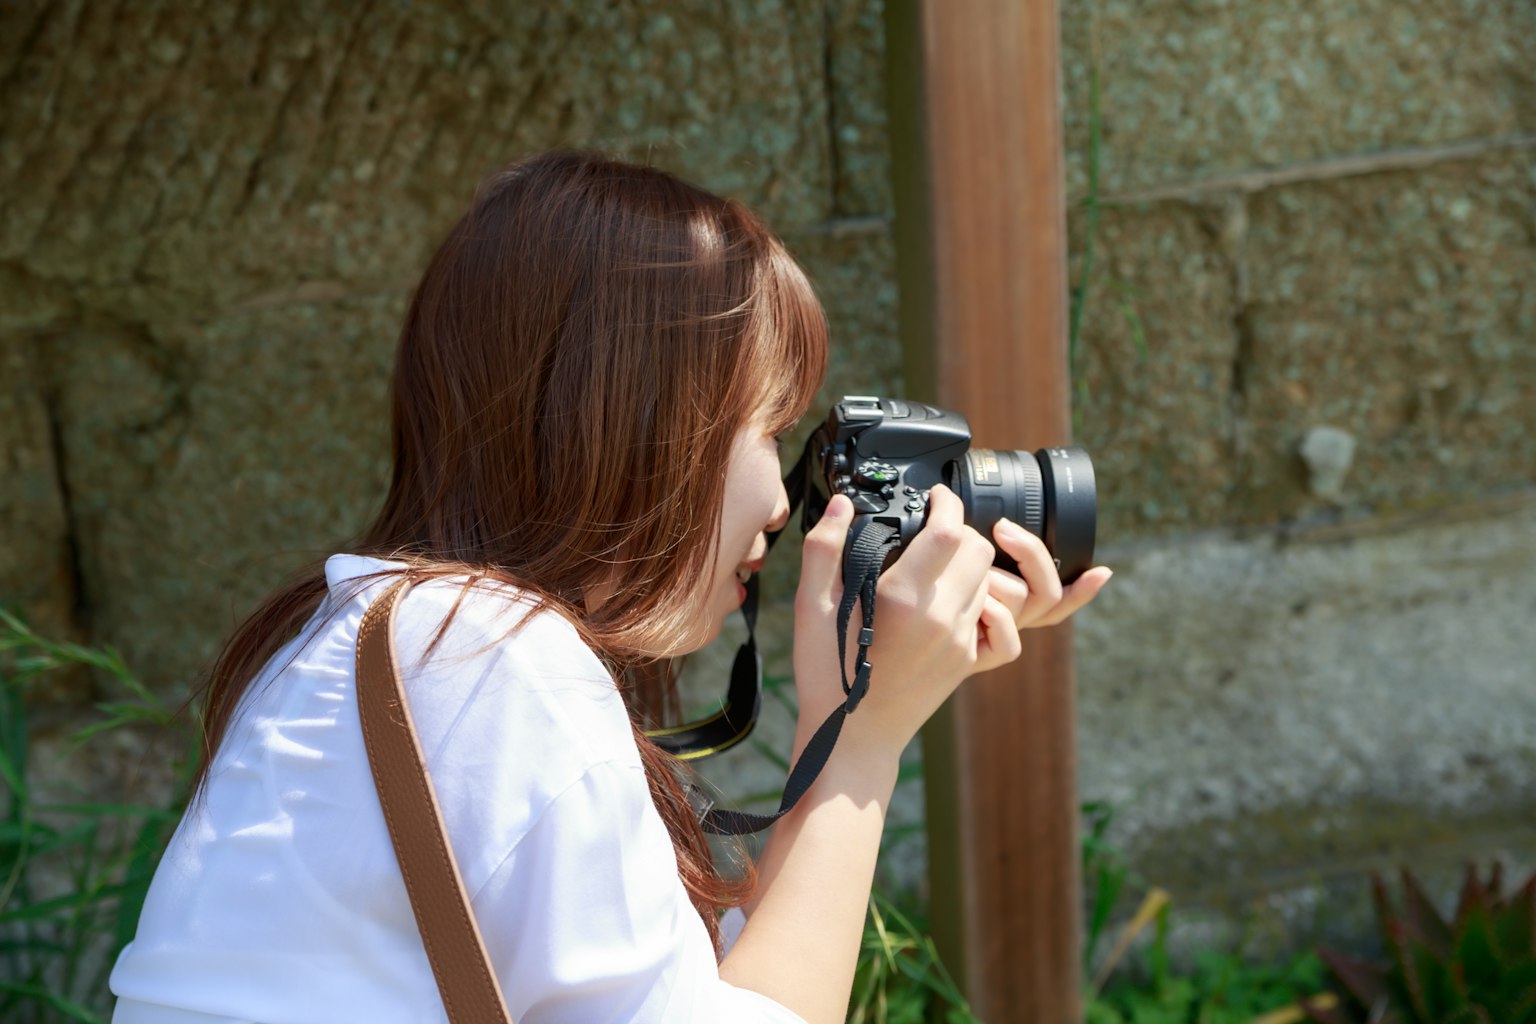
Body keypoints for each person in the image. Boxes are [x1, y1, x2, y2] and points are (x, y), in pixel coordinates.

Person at [108, 151, 1111, 1023]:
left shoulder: (392, 639)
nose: (782, 502)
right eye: (765, 429)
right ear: (635, 423)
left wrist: (860, 704)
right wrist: (867, 730)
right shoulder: (491, 666)